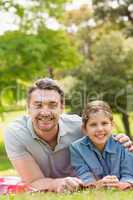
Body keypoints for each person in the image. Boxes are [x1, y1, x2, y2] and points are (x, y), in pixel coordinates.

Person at [4, 78, 133, 193]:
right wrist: (57, 183)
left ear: (62, 107)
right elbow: (33, 181)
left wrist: (120, 140)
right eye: (38, 105)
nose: (45, 112)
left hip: (83, 185)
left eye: (52, 105)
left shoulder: (79, 126)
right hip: (58, 185)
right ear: (28, 108)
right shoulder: (15, 133)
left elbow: (103, 134)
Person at [70, 100, 133, 190]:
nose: (100, 129)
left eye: (104, 123)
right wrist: (97, 185)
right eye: (93, 125)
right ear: (84, 129)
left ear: (112, 125)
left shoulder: (123, 143)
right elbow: (84, 175)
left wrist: (119, 185)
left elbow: (128, 175)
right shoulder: (76, 148)